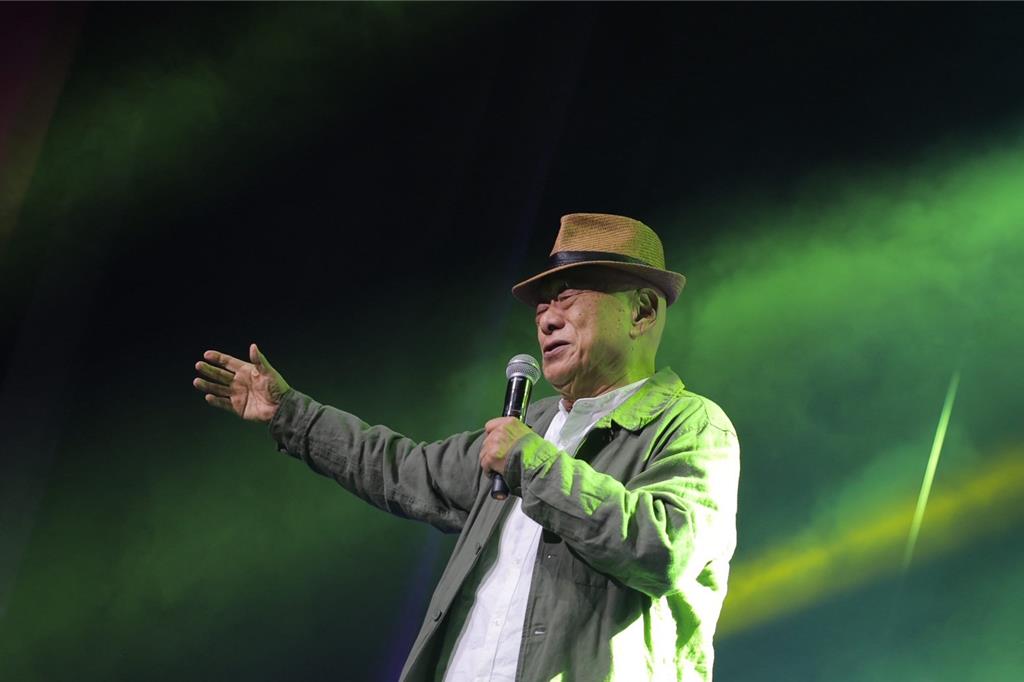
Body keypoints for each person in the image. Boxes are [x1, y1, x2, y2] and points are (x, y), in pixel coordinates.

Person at [193, 213, 740, 681]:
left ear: (642, 311)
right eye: (541, 307)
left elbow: (664, 549)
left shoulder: (691, 425)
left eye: (567, 298)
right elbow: (403, 470)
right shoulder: (532, 425)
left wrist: (531, 463)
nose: (546, 319)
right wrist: (289, 413)